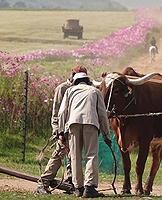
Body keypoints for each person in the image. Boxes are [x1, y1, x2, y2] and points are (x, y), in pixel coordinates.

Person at [58, 72, 112, 198]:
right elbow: (102, 115)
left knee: (75, 156)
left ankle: (78, 188)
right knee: (91, 155)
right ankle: (90, 187)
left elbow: (62, 112)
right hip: (90, 123)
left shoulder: (70, 91)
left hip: (72, 124)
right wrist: (106, 135)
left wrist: (61, 132)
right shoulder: (94, 91)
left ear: (75, 81)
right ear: (88, 81)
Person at [37, 65, 87, 194]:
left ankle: (70, 182)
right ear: (72, 75)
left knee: (74, 156)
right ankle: (43, 183)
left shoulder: (83, 89)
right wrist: (57, 130)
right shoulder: (63, 88)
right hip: (63, 127)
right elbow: (56, 112)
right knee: (59, 155)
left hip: (75, 127)